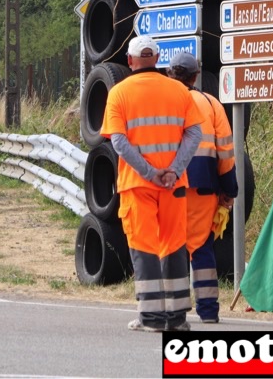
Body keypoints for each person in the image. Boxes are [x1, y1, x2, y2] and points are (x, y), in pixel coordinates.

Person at [100, 36, 203, 332]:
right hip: (174, 183)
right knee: (174, 246)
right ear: (156, 59)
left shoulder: (118, 93)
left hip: (137, 184)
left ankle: (152, 318)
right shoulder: (179, 90)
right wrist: (173, 170)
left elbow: (118, 141)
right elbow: (194, 134)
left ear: (130, 61)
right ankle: (177, 319)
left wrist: (149, 172)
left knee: (144, 247)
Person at [167, 52, 237, 324]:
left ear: (171, 74)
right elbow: (226, 153)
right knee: (201, 248)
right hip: (202, 186)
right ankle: (207, 311)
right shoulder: (211, 103)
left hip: (167, 185)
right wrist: (229, 191)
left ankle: (174, 310)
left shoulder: (162, 102)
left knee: (171, 246)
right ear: (196, 76)